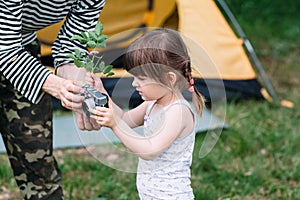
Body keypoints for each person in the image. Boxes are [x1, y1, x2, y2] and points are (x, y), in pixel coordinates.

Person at [0, 0, 105, 199]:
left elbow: (71, 44)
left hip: (19, 46)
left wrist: (78, 84)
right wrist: (57, 86)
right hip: (7, 47)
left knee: (35, 149)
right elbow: (4, 49)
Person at [88, 28, 205, 199]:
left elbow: (150, 150)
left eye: (141, 79)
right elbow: (125, 120)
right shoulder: (152, 103)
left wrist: (115, 125)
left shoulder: (177, 111)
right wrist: (103, 94)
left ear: (169, 78)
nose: (134, 84)